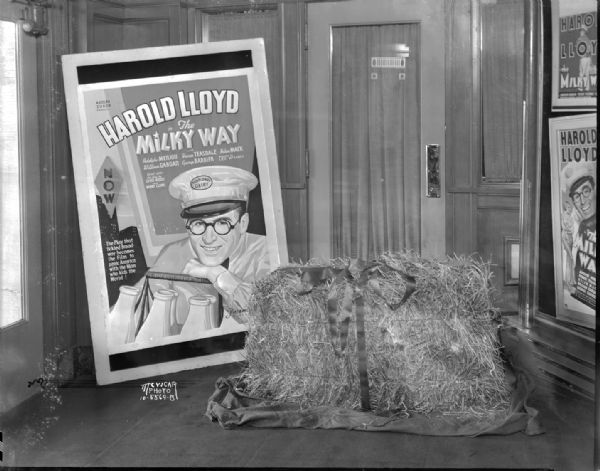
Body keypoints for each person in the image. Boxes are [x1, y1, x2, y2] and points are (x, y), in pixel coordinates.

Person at [134, 165, 270, 340]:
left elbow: (267, 317)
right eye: (198, 223)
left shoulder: (265, 251)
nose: (209, 238)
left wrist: (217, 275)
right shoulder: (174, 253)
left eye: (222, 223)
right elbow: (135, 307)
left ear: (243, 223)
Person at [561, 162, 596, 303]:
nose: (582, 201)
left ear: (594, 190)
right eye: (576, 196)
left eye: (586, 191)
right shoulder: (580, 226)